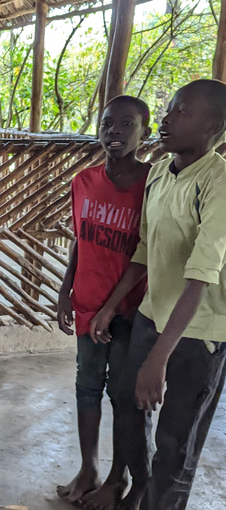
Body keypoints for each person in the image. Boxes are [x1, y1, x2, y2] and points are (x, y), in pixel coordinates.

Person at [90, 79, 226, 510]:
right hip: (153, 316)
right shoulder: (161, 176)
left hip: (198, 332)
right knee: (128, 412)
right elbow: (145, 250)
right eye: (168, 108)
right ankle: (142, 491)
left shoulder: (219, 183)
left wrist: (158, 357)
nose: (166, 118)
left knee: (175, 446)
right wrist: (111, 307)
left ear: (215, 127)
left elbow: (201, 277)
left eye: (181, 111)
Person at [55, 96, 151, 509]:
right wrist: (65, 290)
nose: (114, 132)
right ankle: (89, 468)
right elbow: (81, 240)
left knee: (126, 396)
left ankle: (118, 477)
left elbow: (146, 253)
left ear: (144, 132)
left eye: (126, 124)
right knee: (87, 387)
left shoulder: (154, 183)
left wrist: (112, 308)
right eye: (107, 124)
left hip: (134, 310)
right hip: (89, 304)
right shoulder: (84, 181)